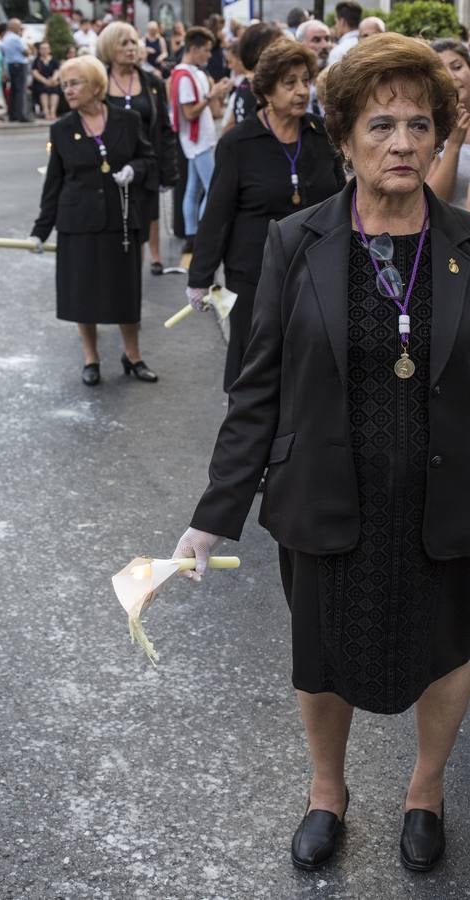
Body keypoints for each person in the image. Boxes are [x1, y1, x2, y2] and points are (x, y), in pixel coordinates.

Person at [172, 31, 470, 874]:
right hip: (326, 489)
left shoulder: (466, 242)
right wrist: (212, 516)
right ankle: (327, 791)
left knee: (449, 645)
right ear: (342, 138)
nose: (403, 143)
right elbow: (258, 386)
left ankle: (425, 790)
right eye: (381, 125)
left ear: (440, 135)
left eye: (420, 125)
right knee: (322, 650)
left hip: (444, 490)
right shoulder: (297, 241)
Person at [188, 39, 344, 391]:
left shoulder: (321, 135)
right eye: (290, 83)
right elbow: (218, 214)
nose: (302, 91)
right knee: (253, 356)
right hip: (253, 271)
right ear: (266, 91)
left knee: (309, 356)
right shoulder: (239, 143)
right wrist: (200, 276)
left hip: (313, 267)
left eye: (306, 80)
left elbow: (340, 200)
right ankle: (247, 431)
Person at [29, 56, 158, 387]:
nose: (67, 90)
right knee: (82, 292)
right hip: (79, 222)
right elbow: (53, 184)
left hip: (121, 221)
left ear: (96, 86)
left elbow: (148, 158)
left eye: (74, 83)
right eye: (64, 85)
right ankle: (91, 357)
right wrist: (40, 232)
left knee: (125, 291)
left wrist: (135, 170)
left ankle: (133, 355)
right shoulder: (61, 129)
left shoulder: (127, 120)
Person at [98, 21, 178, 275]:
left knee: (148, 212)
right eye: (124, 43)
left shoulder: (151, 81)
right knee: (115, 215)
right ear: (110, 47)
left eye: (134, 42)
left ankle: (148, 260)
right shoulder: (99, 81)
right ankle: (120, 260)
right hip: (111, 162)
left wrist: (169, 169)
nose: (131, 48)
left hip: (147, 159)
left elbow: (165, 127)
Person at [169, 27, 232, 253]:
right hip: (197, 141)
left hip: (200, 139)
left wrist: (215, 95)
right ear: (193, 49)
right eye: (205, 50)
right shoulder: (184, 76)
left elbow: (209, 110)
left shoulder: (191, 73)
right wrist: (211, 95)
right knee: (212, 189)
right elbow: (189, 113)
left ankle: (193, 234)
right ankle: (203, 234)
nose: (209, 55)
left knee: (194, 189)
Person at [427, 39, 470, 209]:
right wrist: (453, 144)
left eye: (457, 67)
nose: (451, 77)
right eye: (442, 72)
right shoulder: (430, 125)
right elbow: (436, 201)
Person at [222, 22, 283, 132]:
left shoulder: (246, 83)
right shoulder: (260, 90)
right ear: (258, 53)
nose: (285, 53)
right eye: (276, 48)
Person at [1, 18, 29, 121]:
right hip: (19, 64)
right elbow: (26, 52)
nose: (20, 28)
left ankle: (12, 114)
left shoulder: (6, 38)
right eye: (19, 26)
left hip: (10, 65)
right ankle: (21, 114)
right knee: (20, 90)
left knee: (13, 90)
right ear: (14, 27)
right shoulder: (16, 38)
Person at [32, 41, 60, 120]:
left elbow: (57, 70)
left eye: (46, 48)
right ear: (39, 50)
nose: (44, 50)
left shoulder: (54, 59)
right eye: (42, 48)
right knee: (43, 89)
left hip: (52, 81)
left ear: (49, 50)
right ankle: (46, 112)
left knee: (55, 89)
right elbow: (34, 72)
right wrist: (45, 81)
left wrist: (53, 79)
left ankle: (53, 112)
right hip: (41, 82)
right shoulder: (37, 60)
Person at [327, 0, 361, 66]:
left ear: (342, 22)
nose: (335, 26)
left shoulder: (338, 52)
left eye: (336, 22)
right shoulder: (368, 43)